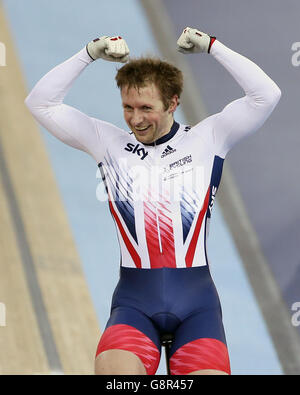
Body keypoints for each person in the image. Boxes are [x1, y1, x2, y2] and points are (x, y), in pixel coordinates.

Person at [25, 27, 281, 375]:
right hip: (134, 306)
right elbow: (40, 103)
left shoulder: (209, 138)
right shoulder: (107, 142)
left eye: (146, 107)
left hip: (197, 309)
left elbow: (266, 94)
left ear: (173, 102)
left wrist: (213, 47)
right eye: (128, 107)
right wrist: (88, 53)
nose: (135, 118)